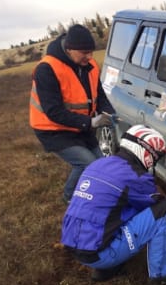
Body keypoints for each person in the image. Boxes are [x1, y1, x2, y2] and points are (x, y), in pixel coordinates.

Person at [60, 124, 166, 285]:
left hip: (74, 245)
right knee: (165, 211)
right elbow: (161, 205)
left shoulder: (98, 164)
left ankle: (105, 270)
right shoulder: (135, 177)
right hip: (98, 253)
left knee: (116, 208)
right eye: (156, 157)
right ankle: (163, 275)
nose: (154, 162)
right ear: (146, 152)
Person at [29, 24, 116, 204]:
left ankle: (91, 194)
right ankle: (69, 197)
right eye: (85, 52)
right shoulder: (47, 69)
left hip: (80, 126)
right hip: (53, 130)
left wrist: (110, 114)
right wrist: (90, 123)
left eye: (91, 52)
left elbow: (99, 95)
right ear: (69, 49)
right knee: (87, 164)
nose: (90, 57)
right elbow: (53, 111)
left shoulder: (89, 65)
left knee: (100, 164)